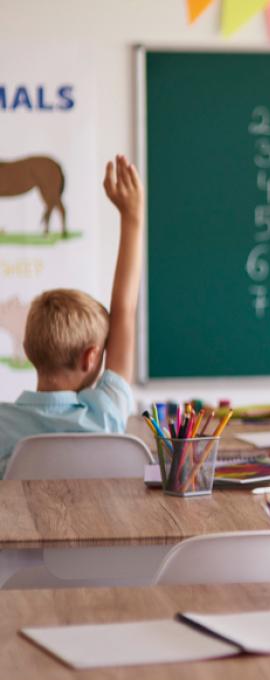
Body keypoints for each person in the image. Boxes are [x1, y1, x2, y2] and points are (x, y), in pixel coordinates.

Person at [0, 156, 144, 478]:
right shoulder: (104, 415)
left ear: (27, 348)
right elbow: (125, 309)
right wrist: (132, 216)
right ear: (92, 356)